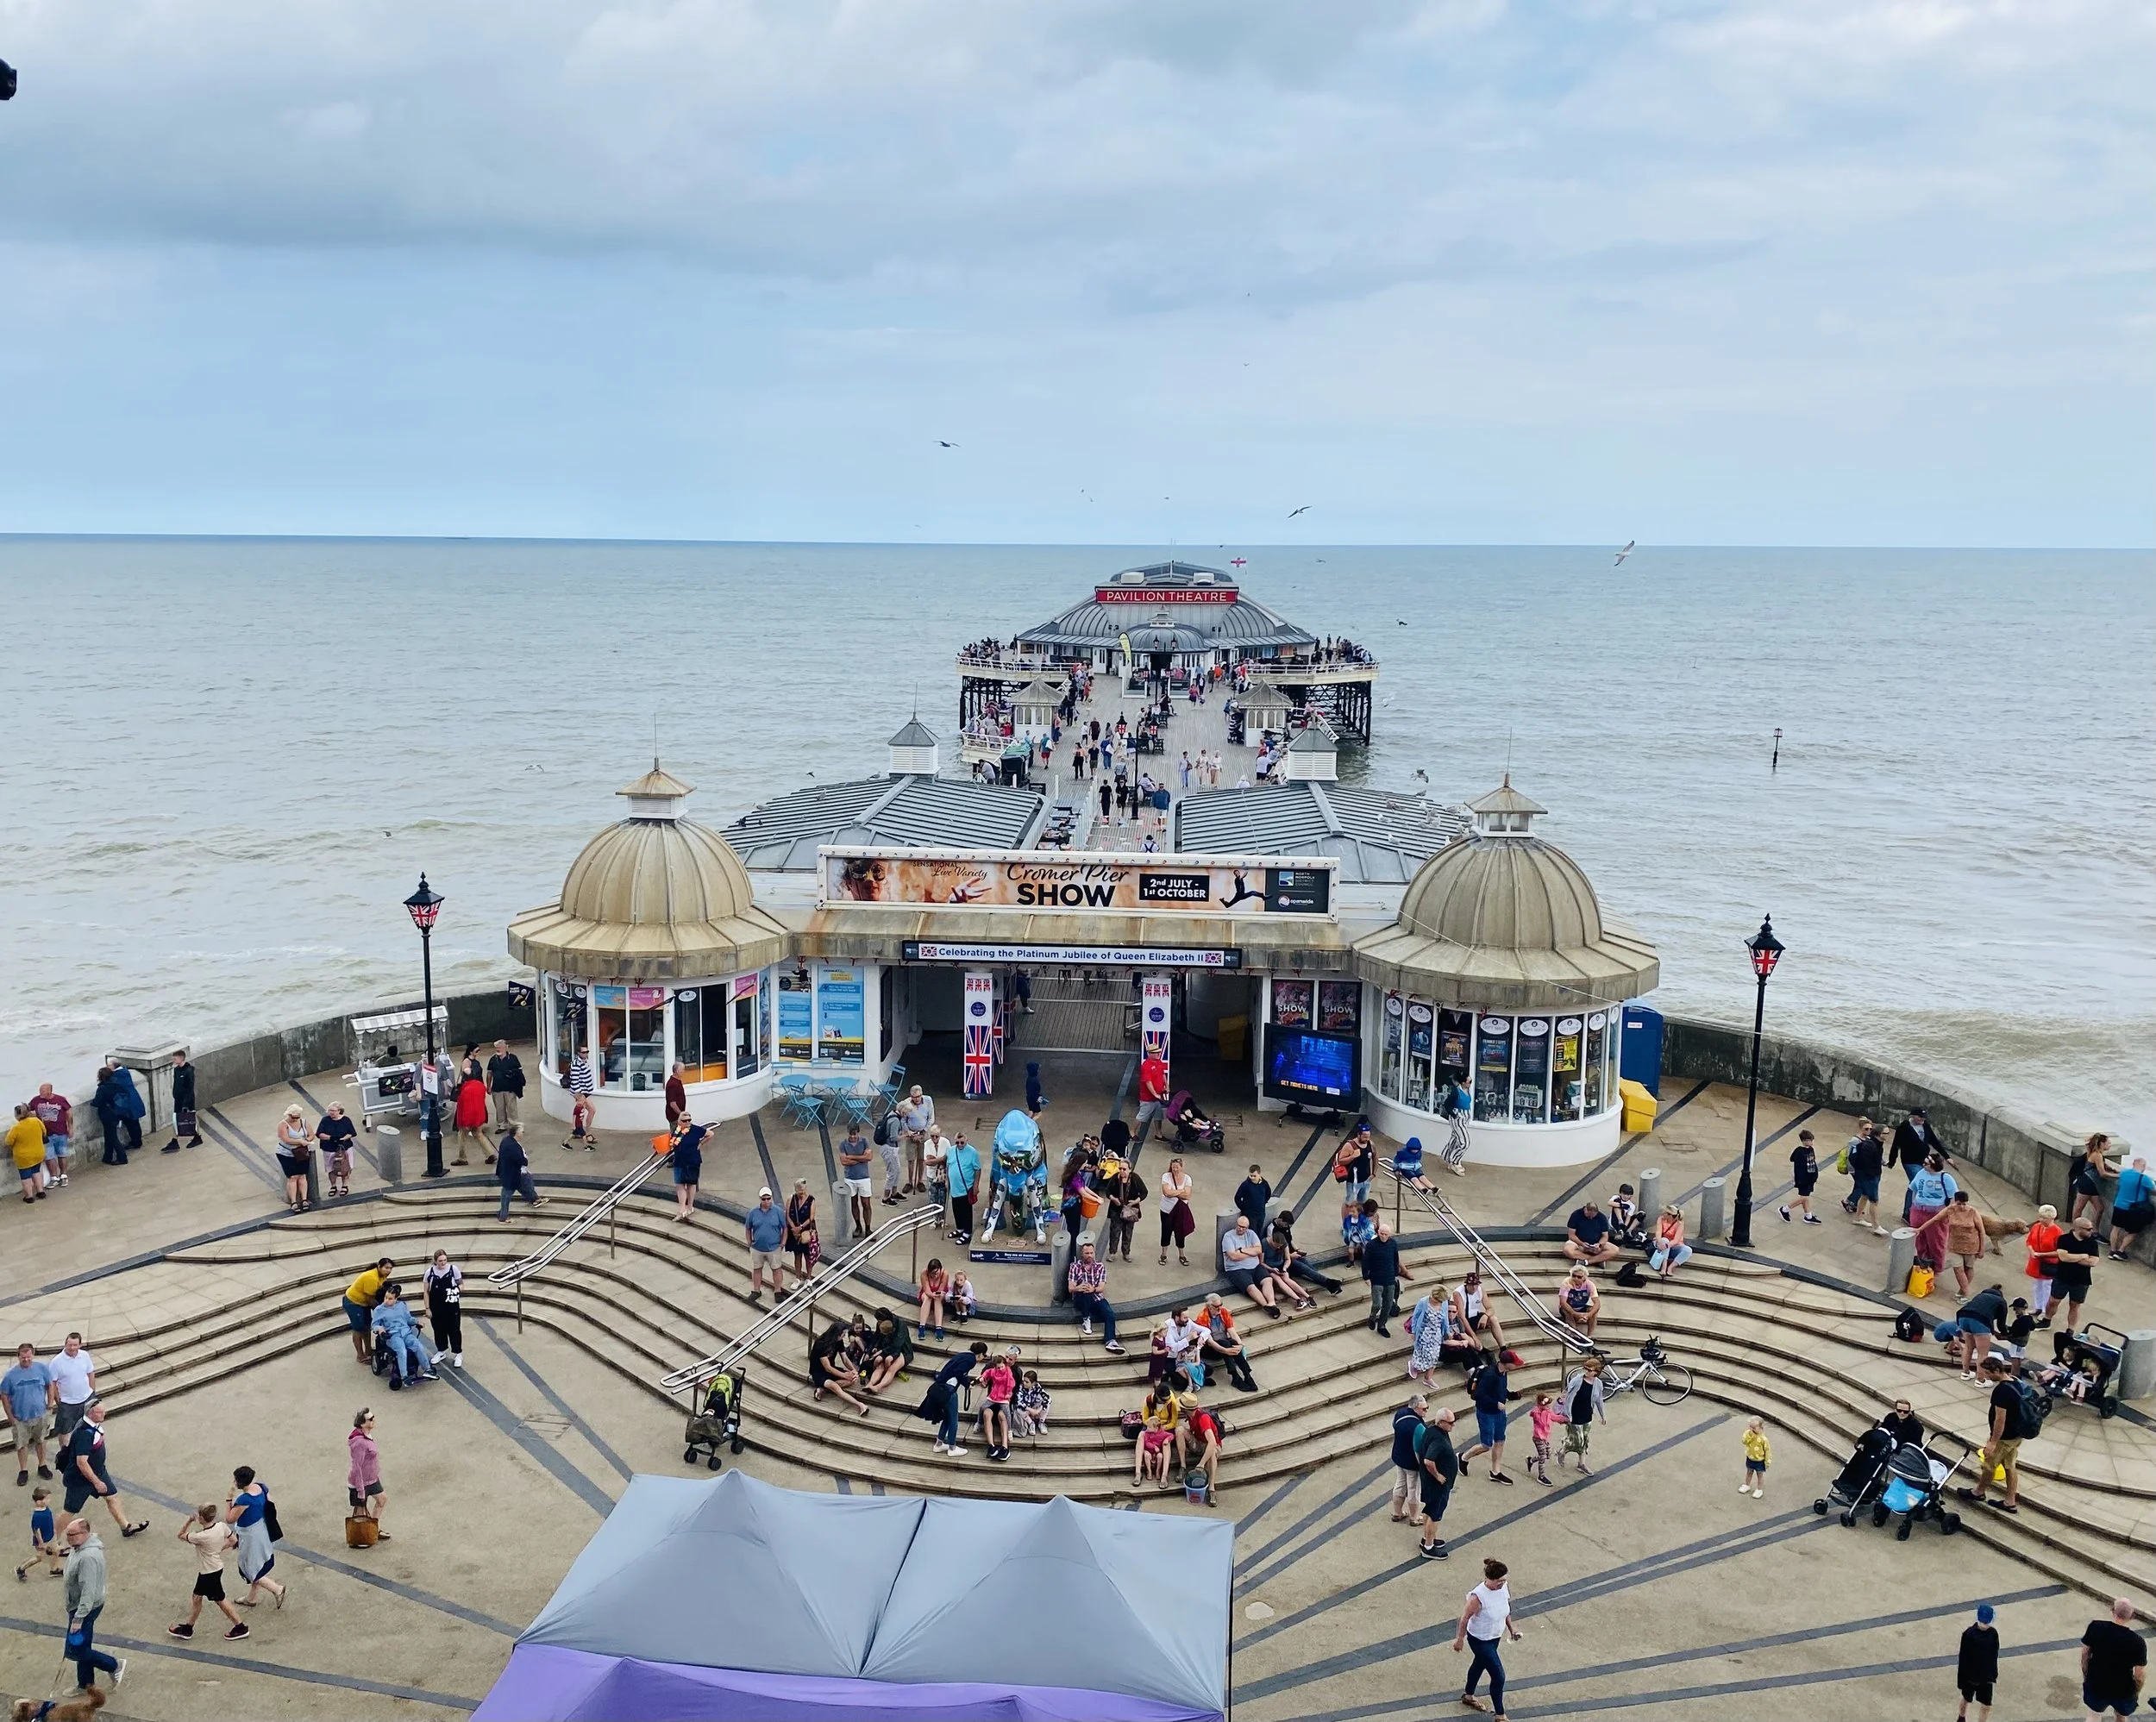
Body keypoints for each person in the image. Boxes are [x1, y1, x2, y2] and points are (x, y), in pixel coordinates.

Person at [167, 1502, 248, 1641]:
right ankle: (188, 1627)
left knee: (219, 1600)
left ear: (201, 1518)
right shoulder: (221, 1526)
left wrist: (189, 1520)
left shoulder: (200, 1537)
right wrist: (217, 1549)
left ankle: (240, 1627)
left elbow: (180, 1535)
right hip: (214, 1568)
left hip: (208, 1572)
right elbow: (233, 1540)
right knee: (197, 1597)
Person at [1958, 1356, 2028, 1515]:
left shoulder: (2001, 1391)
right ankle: (2010, 1502)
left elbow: (2000, 1420)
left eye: (1989, 1373)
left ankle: (1979, 1492)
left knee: (1989, 1466)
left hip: (2004, 1437)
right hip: (2016, 1435)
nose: (1987, 1376)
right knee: (2010, 1466)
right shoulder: (2015, 1381)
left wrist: (1993, 1442)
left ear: (1997, 1370)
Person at [62, 1403, 146, 1537]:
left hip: (99, 1471)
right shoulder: (84, 1433)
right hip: (81, 1479)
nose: (104, 1414)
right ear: (90, 1413)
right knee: (69, 1510)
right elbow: (81, 1463)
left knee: (112, 1497)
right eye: (100, 1412)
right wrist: (96, 1482)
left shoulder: (90, 1425)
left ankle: (126, 1527)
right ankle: (53, 1541)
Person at [61, 1516, 123, 1694]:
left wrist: (78, 1618)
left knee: (75, 1650)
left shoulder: (88, 1557)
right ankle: (86, 1684)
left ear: (85, 1533)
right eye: (67, 1534)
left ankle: (113, 1665)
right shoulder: (78, 1547)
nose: (68, 1538)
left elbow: (88, 1591)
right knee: (82, 1646)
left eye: (72, 1534)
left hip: (85, 1609)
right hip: (78, 1606)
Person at [1455, 1557, 1521, 1718]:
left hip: (1494, 1638)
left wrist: (1511, 1630)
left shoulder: (1503, 1589)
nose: (1502, 1584)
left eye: (1504, 1580)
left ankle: (1468, 1696)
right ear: (1489, 1579)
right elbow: (1464, 1618)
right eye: (1499, 1581)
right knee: (1498, 1676)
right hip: (1480, 1640)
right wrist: (1460, 1639)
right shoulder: (1477, 1597)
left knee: (1479, 1665)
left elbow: (1505, 1611)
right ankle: (1500, 1715)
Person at [225, 1465, 284, 1608]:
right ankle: (251, 1598)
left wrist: (229, 1499)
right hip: (262, 1528)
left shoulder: (244, 1500)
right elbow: (270, 1502)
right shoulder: (261, 1487)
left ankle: (276, 1589)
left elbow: (230, 1519)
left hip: (250, 1535)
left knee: (249, 1568)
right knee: (256, 1563)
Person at [2082, 1597, 2147, 1720]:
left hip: (2097, 1683)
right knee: (2121, 1717)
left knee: (2093, 1715)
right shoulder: (2137, 1642)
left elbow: (2085, 1655)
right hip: (2123, 1689)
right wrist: (2136, 1692)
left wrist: (2086, 1675)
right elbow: (2139, 1675)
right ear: (2131, 1616)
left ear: (2112, 1610)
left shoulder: (2096, 1627)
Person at [918, 1341, 987, 1456]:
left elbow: (955, 1371)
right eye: (984, 1355)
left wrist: (967, 1381)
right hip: (948, 1391)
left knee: (947, 1417)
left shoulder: (962, 1355)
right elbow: (959, 1372)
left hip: (940, 1388)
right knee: (953, 1419)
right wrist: (967, 1384)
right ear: (980, 1354)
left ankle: (939, 1444)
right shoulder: (971, 1360)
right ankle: (952, 1447)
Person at [3, 1341, 55, 1486]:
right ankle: (23, 1470)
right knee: (21, 1445)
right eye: (23, 1357)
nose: (26, 1360)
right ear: (18, 1357)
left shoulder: (42, 1369)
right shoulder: (10, 1376)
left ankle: (42, 1465)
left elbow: (50, 1385)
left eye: (28, 1357)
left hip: (40, 1414)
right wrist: (10, 1417)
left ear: (33, 1355)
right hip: (20, 1418)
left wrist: (50, 1404)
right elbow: (4, 1396)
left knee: (41, 1441)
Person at [1461, 1351, 1515, 1483]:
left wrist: (1511, 1395)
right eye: (1514, 1363)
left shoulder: (1503, 1373)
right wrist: (1496, 1403)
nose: (1516, 1366)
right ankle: (1463, 1457)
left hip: (1499, 1413)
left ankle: (1496, 1472)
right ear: (1507, 1363)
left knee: (1500, 1440)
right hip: (1486, 1413)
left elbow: (1501, 1390)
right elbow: (1480, 1395)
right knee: (1486, 1445)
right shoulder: (1490, 1375)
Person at [371, 1284, 435, 1389]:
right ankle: (404, 1376)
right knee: (402, 1350)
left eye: (390, 1299)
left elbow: (408, 1319)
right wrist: (380, 1329)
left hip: (405, 1332)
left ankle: (427, 1369)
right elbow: (374, 1325)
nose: (387, 1300)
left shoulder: (402, 1305)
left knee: (418, 1346)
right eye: (386, 1298)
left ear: (396, 1298)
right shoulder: (379, 1310)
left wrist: (416, 1321)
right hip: (392, 1335)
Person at [1066, 1238, 1125, 1353]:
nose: (1089, 1255)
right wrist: (1080, 1287)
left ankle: (1111, 1341)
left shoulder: (1100, 1267)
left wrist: (1093, 1289)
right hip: (1080, 1298)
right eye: (1087, 1253)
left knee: (1109, 1314)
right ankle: (1086, 1319)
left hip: (1096, 1298)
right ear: (1082, 1254)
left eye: (1091, 1253)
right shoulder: (1075, 1266)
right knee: (1085, 1290)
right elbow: (1071, 1288)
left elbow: (1101, 1287)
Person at [1416, 1406, 1460, 1559]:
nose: (1453, 1425)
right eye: (1450, 1423)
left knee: (1430, 1510)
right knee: (1435, 1515)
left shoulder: (1432, 1430)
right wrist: (1438, 1476)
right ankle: (1428, 1547)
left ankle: (1427, 1538)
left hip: (1430, 1483)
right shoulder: (1439, 1439)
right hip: (1437, 1485)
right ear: (1441, 1422)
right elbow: (1428, 1460)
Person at [1268, 1210, 1341, 1296]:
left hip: (1292, 1253)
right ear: (1280, 1220)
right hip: (1283, 1257)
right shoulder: (1271, 1230)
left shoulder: (1285, 1227)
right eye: (1286, 1224)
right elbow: (1274, 1248)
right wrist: (1290, 1256)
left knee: (1308, 1266)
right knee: (1303, 1267)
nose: (1286, 1227)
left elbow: (1290, 1240)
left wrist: (1297, 1250)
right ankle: (1330, 1283)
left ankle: (1329, 1285)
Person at [1195, 1293, 1258, 1392]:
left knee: (1233, 1341)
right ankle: (1235, 1376)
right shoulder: (1202, 1317)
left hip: (1225, 1344)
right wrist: (1226, 1350)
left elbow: (1232, 1332)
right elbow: (1211, 1342)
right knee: (1225, 1343)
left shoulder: (1224, 1312)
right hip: (1210, 1349)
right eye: (1216, 1307)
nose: (1219, 1308)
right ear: (1209, 1306)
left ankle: (1247, 1375)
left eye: (1221, 1305)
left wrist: (1240, 1346)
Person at [1908, 1154, 1960, 1269]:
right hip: (1918, 1209)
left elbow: (1953, 1197)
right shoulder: (1921, 1173)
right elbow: (1914, 1188)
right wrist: (1913, 1205)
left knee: (1936, 1241)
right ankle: (1923, 1261)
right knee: (1919, 1239)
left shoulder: (1946, 1178)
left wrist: (1947, 1212)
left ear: (1933, 1165)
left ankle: (1936, 1266)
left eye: (1926, 1163)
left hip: (1936, 1212)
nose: (1923, 1165)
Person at [808, 1321, 871, 1417]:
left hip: (832, 1369)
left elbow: (845, 1359)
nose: (844, 1336)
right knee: (835, 1386)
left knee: (851, 1380)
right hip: (819, 1372)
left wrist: (853, 1371)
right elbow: (827, 1368)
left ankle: (823, 1389)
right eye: (843, 1334)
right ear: (837, 1334)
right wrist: (844, 1375)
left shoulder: (838, 1342)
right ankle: (860, 1405)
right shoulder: (821, 1344)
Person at [2053, 1214, 2102, 1333]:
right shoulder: (2064, 1239)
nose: (2091, 1231)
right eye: (2088, 1229)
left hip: (2081, 1280)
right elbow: (2063, 1258)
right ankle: (2047, 1319)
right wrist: (2082, 1256)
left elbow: (2093, 1262)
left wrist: (2071, 1257)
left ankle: (2071, 1329)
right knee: (2053, 1301)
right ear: (2078, 1228)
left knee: (2075, 1305)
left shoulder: (2092, 1243)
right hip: (2062, 1276)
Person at [1951, 1283, 2010, 1380]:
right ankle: (1981, 1380)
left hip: (1963, 1316)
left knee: (1968, 1347)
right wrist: (2005, 1334)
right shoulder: (2001, 1301)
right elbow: (2001, 1325)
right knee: (1982, 1353)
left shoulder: (1980, 1296)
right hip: (1980, 1321)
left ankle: (1965, 1373)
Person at [342, 1259, 395, 1366]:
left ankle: (368, 1350)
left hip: (364, 1303)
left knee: (367, 1326)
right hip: (354, 1303)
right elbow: (370, 1299)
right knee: (358, 1328)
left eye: (390, 1268)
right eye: (386, 1268)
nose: (388, 1270)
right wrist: (381, 1311)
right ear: (379, 1267)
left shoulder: (382, 1276)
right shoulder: (371, 1277)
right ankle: (360, 1355)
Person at [1362, 1218, 1410, 1337]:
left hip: (1389, 1279)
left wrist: (1396, 1274)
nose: (1383, 1236)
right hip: (1377, 1278)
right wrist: (1366, 1277)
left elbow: (1395, 1259)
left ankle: (1382, 1325)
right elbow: (1365, 1262)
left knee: (1388, 1304)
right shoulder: (1372, 1245)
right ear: (1378, 1232)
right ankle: (1372, 1317)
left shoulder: (1393, 1244)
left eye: (1386, 1234)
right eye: (1381, 1234)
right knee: (1377, 1303)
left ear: (1389, 1235)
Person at [1559, 1356, 1608, 1475]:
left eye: (1589, 1370)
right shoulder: (1577, 1381)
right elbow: (1568, 1397)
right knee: (1579, 1441)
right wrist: (1567, 1414)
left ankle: (1581, 1464)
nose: (1586, 1371)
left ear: (1596, 1372)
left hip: (1587, 1415)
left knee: (1584, 1441)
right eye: (1585, 1368)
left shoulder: (1598, 1384)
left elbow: (1599, 1400)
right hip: (1574, 1415)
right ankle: (1563, 1450)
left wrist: (1603, 1415)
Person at [47, 1335, 97, 1441]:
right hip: (68, 1403)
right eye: (70, 1345)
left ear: (80, 1345)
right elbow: (52, 1383)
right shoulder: (56, 1362)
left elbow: (91, 1373)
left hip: (87, 1398)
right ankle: (65, 1454)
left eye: (75, 1345)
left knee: (89, 1426)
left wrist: (92, 1391)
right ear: (65, 1344)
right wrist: (58, 1400)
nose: (72, 1348)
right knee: (65, 1431)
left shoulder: (84, 1355)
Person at [1389, 1395, 1429, 1524]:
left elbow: (1394, 1427)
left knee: (1400, 1484)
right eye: (1424, 1408)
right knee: (1413, 1490)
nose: (1426, 1411)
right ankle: (1414, 1518)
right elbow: (1420, 1449)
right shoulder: (1418, 1427)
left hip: (1398, 1456)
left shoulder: (1400, 1414)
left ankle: (1397, 1513)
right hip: (1412, 1463)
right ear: (1416, 1408)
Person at [745, 1187, 789, 1304]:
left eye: (768, 1199)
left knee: (776, 1269)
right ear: (760, 1199)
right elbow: (748, 1228)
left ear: (771, 1198)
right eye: (764, 1199)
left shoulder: (778, 1212)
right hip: (757, 1248)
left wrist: (783, 1242)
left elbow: (785, 1228)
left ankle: (778, 1291)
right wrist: (749, 1242)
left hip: (774, 1247)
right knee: (757, 1269)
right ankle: (756, 1290)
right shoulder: (753, 1213)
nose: (766, 1201)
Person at [348, 1408, 386, 1539]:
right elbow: (357, 1467)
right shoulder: (359, 1443)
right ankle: (360, 1537)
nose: (373, 1420)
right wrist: (361, 1491)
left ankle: (373, 1529)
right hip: (361, 1483)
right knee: (360, 1514)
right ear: (362, 1424)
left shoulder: (366, 1436)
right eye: (370, 1419)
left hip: (372, 1479)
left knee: (382, 1500)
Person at [1956, 1601, 1998, 1722]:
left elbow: (1963, 1658)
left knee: (1969, 1699)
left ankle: (1961, 1718)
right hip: (1981, 1677)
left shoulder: (1970, 1634)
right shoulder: (1991, 1634)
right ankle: (1965, 1718)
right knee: (1982, 1704)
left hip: (1977, 1677)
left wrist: (1961, 1680)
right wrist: (1993, 1674)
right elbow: (1994, 1655)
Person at [493, 1125, 545, 1222]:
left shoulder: (506, 1141)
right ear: (517, 1133)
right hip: (512, 1174)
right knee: (507, 1194)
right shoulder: (513, 1146)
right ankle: (503, 1216)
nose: (523, 1133)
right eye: (522, 1132)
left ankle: (534, 1199)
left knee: (525, 1183)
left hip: (511, 1172)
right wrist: (525, 1160)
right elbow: (521, 1160)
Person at [423, 1249, 464, 1368]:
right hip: (436, 1307)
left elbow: (461, 1284)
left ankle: (458, 1353)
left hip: (451, 1306)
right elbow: (426, 1292)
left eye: (445, 1260)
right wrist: (427, 1308)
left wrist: (456, 1289)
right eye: (440, 1261)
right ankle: (441, 1351)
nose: (443, 1263)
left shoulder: (453, 1270)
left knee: (454, 1330)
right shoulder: (429, 1273)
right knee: (439, 1330)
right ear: (435, 1261)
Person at [2108, 1157, 2155, 1261]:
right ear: (2143, 1167)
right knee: (2133, 1232)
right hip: (2133, 1209)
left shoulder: (2124, 1174)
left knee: (2116, 1228)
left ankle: (2112, 1250)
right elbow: (2153, 1188)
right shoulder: (2144, 1178)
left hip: (2119, 1205)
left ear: (2133, 1164)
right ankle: (2120, 1251)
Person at [1101, 1156, 1146, 1262]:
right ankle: (1112, 1252)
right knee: (1115, 1232)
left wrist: (1136, 1201)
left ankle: (1126, 1253)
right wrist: (1113, 1199)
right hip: (1116, 1209)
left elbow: (1144, 1192)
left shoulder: (1135, 1178)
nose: (1122, 1171)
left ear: (1130, 1170)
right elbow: (1108, 1192)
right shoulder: (1115, 1178)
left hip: (1130, 1210)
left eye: (1124, 1169)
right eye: (1120, 1168)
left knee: (1128, 1232)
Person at [452, 1048, 492, 1167]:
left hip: (468, 1119)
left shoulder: (465, 1090)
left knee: (462, 1136)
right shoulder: (480, 1087)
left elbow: (462, 1107)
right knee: (479, 1134)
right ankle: (490, 1154)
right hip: (478, 1116)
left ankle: (462, 1157)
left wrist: (461, 1123)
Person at [28, 1083, 72, 1189]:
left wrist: (70, 1128)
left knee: (62, 1153)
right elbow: (28, 1109)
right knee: (49, 1156)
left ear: (50, 1091)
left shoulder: (60, 1099)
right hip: (45, 1134)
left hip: (60, 1132)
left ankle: (63, 1175)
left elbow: (69, 1113)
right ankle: (54, 1177)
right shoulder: (36, 1100)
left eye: (43, 1090)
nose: (41, 1093)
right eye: (40, 1090)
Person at [1182, 1393, 1225, 1505]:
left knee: (1212, 1451)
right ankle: (1182, 1467)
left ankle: (1211, 1488)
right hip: (1198, 1442)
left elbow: (1212, 1442)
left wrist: (1201, 1464)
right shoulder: (1191, 1415)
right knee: (1179, 1430)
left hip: (1211, 1445)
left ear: (1186, 1409)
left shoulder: (1203, 1418)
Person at [2025, 1205, 2065, 1322]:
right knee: (2036, 1285)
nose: (2041, 1220)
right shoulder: (2036, 1227)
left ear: (2051, 1218)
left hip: (2049, 1264)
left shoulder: (2058, 1232)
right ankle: (2037, 1306)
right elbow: (2029, 1241)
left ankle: (2044, 1310)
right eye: (2041, 1217)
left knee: (2047, 1287)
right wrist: (2032, 1251)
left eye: (2044, 1218)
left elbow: (2059, 1251)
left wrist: (2041, 1255)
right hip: (2036, 1261)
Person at [893, 1086, 935, 1195]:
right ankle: (910, 1182)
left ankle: (920, 1181)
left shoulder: (928, 1100)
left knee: (922, 1159)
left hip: (923, 1133)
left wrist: (924, 1132)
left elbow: (931, 1118)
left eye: (918, 1097)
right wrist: (909, 1133)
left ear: (921, 1095)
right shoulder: (907, 1103)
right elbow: (903, 1120)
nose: (916, 1099)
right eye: (913, 1097)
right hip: (911, 1134)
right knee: (911, 1159)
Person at [1847, 1121, 1887, 1232]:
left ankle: (1858, 1218)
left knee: (1864, 1196)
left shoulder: (1876, 1144)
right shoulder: (1870, 1145)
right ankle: (1876, 1226)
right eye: (1886, 1133)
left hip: (1871, 1175)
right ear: (1879, 1134)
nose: (1887, 1136)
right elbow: (1863, 1161)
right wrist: (1870, 1174)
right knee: (1874, 1201)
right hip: (1870, 1177)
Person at [837, 1121, 874, 1237]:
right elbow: (843, 1161)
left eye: (855, 1134)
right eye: (851, 1134)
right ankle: (858, 1226)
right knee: (853, 1203)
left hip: (863, 1177)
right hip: (850, 1178)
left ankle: (868, 1228)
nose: (853, 1137)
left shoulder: (864, 1141)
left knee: (866, 1203)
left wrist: (851, 1157)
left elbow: (869, 1157)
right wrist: (861, 1158)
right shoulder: (843, 1144)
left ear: (858, 1133)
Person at [17, 1483, 63, 1579]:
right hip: (43, 1540)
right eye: (46, 1499)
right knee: (39, 1558)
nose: (49, 1501)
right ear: (38, 1501)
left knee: (56, 1551)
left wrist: (53, 1530)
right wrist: (41, 1543)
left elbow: (49, 1520)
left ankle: (54, 1570)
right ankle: (22, 1568)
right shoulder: (37, 1516)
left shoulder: (46, 1509)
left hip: (51, 1536)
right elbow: (36, 1530)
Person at [978, 1347, 1017, 1460]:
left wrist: (1010, 1396)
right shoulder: (993, 1367)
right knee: (986, 1413)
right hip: (993, 1397)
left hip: (1005, 1399)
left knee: (1003, 1415)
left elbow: (1015, 1388)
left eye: (1011, 1359)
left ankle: (1005, 1446)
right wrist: (983, 1381)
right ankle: (991, 1445)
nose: (1009, 1361)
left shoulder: (1015, 1371)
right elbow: (984, 1375)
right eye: (1007, 1358)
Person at [162, 1048, 203, 1153]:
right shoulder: (176, 1070)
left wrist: (186, 1103)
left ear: (181, 1058)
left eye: (175, 1059)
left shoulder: (189, 1071)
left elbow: (189, 1088)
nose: (173, 1061)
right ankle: (174, 1140)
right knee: (176, 1119)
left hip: (187, 1100)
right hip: (178, 1099)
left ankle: (197, 1136)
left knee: (192, 1117)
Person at [273, 1104, 312, 1213]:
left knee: (302, 1175)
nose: (296, 1119)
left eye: (297, 1117)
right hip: (287, 1153)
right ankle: (294, 1201)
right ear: (289, 1115)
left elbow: (311, 1134)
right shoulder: (283, 1124)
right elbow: (286, 1139)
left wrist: (307, 1140)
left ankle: (304, 1199)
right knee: (293, 1177)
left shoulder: (304, 1122)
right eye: (293, 1117)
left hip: (302, 1152)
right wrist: (300, 1141)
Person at [945, 1131, 982, 1245]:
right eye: (957, 1142)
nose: (960, 1145)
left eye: (962, 1143)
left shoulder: (972, 1152)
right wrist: (947, 1180)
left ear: (966, 1141)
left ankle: (967, 1232)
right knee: (956, 1209)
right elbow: (948, 1166)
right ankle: (960, 1228)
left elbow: (977, 1169)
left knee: (966, 1211)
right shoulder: (951, 1151)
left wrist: (976, 1185)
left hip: (966, 1187)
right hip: (954, 1187)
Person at [1158, 1156, 1195, 1266]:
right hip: (1166, 1210)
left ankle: (1182, 1254)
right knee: (1166, 1231)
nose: (1175, 1169)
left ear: (1182, 1167)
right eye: (1173, 1167)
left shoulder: (1187, 1178)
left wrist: (1173, 1192)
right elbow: (1166, 1193)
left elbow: (1188, 1194)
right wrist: (1181, 1191)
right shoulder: (1166, 1176)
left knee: (1180, 1232)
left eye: (1177, 1167)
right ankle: (1164, 1254)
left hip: (1180, 1210)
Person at [316, 1103, 358, 1199]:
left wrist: (343, 1139)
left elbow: (351, 1133)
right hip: (329, 1147)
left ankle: (345, 1185)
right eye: (330, 1110)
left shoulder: (346, 1120)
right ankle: (333, 1186)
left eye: (333, 1111)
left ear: (339, 1111)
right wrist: (331, 1138)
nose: (331, 1113)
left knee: (345, 1167)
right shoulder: (325, 1120)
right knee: (330, 1167)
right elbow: (319, 1133)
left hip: (344, 1147)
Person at [2071, 1134, 2115, 1227]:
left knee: (2100, 1208)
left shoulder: (2095, 1153)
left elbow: (2102, 1165)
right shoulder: (2097, 1155)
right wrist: (2118, 1175)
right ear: (2102, 1144)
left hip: (2092, 1184)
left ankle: (2093, 1229)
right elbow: (2102, 1173)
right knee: (2079, 1207)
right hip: (2087, 1183)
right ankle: (2075, 1228)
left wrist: (2112, 1169)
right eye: (2108, 1142)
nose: (2110, 1144)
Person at [1781, 1129, 1823, 1224]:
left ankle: (1808, 1216)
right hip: (1803, 1179)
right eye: (1807, 1140)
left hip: (1810, 1179)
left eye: (1811, 1140)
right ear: (1803, 1141)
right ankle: (1785, 1209)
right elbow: (1792, 1159)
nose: (1810, 1142)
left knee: (1805, 1197)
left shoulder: (1811, 1150)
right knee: (1804, 1198)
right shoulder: (1799, 1151)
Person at [9, 1103, 48, 1203]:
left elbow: (8, 1141)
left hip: (24, 1157)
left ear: (17, 1115)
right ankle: (40, 1191)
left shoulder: (16, 1128)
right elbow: (44, 1131)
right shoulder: (36, 1121)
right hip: (38, 1152)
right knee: (37, 1171)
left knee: (25, 1176)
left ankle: (29, 1196)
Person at [668, 1113, 704, 1221]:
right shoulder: (677, 1131)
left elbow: (710, 1134)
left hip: (692, 1161)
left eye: (689, 1120)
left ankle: (690, 1207)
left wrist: (701, 1143)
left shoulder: (695, 1129)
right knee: (680, 1185)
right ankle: (682, 1209)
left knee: (691, 1184)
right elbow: (672, 1143)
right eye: (684, 1121)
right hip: (679, 1161)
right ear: (679, 1122)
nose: (687, 1122)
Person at [1132, 1049, 1169, 1149]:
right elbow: (1148, 1082)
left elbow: (1163, 1074)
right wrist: (1155, 1094)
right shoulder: (1146, 1066)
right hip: (1147, 1098)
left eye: (1159, 1052)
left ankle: (1158, 1134)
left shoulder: (1159, 1062)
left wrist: (1166, 1085)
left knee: (1159, 1115)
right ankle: (1132, 1132)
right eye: (1156, 1053)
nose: (1158, 1054)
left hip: (1158, 1096)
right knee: (1142, 1116)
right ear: (1150, 1054)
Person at [1563, 1201, 1620, 1266]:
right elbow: (1571, 1235)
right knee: (1568, 1250)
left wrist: (1599, 1244)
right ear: (1585, 1210)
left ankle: (1587, 1261)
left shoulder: (1601, 1217)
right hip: (1579, 1242)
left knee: (1615, 1250)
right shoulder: (1576, 1215)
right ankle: (1598, 1260)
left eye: (1593, 1216)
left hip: (1596, 1243)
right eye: (1589, 1216)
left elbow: (1605, 1236)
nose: (1591, 1218)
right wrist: (1581, 1244)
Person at [486, 1040, 525, 1133]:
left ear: (505, 1047)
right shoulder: (493, 1060)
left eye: (500, 1047)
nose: (498, 1049)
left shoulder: (513, 1058)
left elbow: (519, 1073)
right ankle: (502, 1125)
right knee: (499, 1108)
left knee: (512, 1108)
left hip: (510, 1088)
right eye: (496, 1048)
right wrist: (488, 1086)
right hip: (497, 1088)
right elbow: (489, 1073)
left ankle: (514, 1125)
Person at [1649, 1205, 1692, 1281]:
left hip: (1672, 1245)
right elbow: (1658, 1232)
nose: (1663, 1214)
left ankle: (1671, 1267)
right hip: (1661, 1243)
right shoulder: (1661, 1219)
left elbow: (1676, 1240)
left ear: (1670, 1215)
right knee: (1665, 1240)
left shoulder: (1680, 1223)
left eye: (1665, 1213)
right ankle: (1664, 1267)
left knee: (1688, 1250)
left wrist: (1667, 1245)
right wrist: (1659, 1242)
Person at [1557, 1265, 1601, 1339]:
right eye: (1574, 1276)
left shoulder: (1589, 1284)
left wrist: (1589, 1315)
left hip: (1582, 1307)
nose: (1576, 1279)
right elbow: (1563, 1302)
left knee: (1593, 1312)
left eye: (1579, 1277)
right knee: (1568, 1313)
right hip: (1569, 1306)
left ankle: (1590, 1336)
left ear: (1584, 1278)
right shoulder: (1566, 1283)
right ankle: (1574, 1334)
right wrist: (1575, 1314)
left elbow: (1597, 1303)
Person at [564, 1049, 596, 1149]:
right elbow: (575, 1080)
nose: (586, 1054)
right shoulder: (577, 1064)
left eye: (587, 1052)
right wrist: (580, 1096)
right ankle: (585, 1133)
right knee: (591, 1110)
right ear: (579, 1053)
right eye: (584, 1052)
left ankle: (579, 1131)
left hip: (584, 1093)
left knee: (584, 1112)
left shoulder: (584, 1062)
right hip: (581, 1093)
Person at [1526, 1391, 1557, 1486]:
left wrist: (1565, 1419)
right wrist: (1545, 1412)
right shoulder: (1537, 1413)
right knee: (1543, 1457)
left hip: (1545, 1437)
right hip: (1538, 1437)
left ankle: (1531, 1460)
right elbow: (1542, 1423)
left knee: (1548, 1455)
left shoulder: (1547, 1411)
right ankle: (1541, 1476)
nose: (1549, 1407)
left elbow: (1554, 1417)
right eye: (1547, 1406)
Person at [1012, 1368, 1052, 1438]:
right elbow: (1019, 1402)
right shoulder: (1021, 1388)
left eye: (1027, 1382)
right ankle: (1031, 1423)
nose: (1024, 1383)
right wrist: (1031, 1410)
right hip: (1027, 1409)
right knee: (1018, 1409)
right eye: (1024, 1381)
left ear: (1033, 1383)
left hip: (1035, 1408)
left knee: (1046, 1404)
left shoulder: (1037, 1387)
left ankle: (1041, 1422)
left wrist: (1038, 1410)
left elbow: (1048, 1398)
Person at [1739, 1416, 1771, 1498]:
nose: (1752, 1429)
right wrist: (1749, 1435)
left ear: (1760, 1427)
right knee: (1749, 1472)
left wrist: (1767, 1461)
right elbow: (1744, 1441)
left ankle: (1759, 1489)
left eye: (1754, 1427)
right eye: (1751, 1427)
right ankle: (1747, 1485)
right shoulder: (1748, 1434)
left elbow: (1767, 1450)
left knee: (1760, 1475)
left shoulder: (1764, 1439)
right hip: (1750, 1457)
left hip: (1760, 1460)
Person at [1233, 1163, 1273, 1230]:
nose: (1252, 1178)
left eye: (1254, 1176)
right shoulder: (1245, 1185)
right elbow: (1237, 1197)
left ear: (1259, 1174)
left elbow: (1268, 1194)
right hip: (1250, 1215)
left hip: (1261, 1213)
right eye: (1251, 1176)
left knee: (1259, 1231)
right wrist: (1244, 1208)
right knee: (1252, 1232)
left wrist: (1262, 1203)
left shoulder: (1264, 1183)